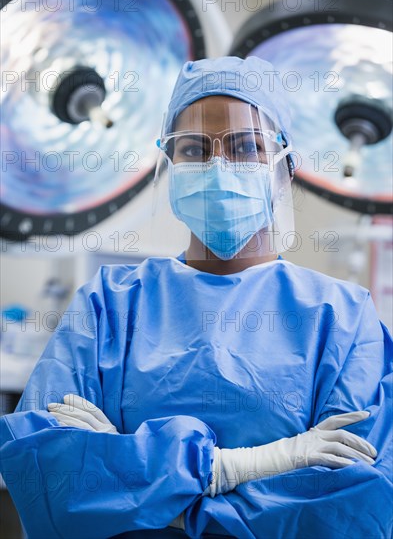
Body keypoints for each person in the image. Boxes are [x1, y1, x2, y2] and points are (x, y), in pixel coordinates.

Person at [1, 57, 392, 539]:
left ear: (285, 168)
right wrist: (236, 467)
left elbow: (355, 502)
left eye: (246, 146)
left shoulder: (344, 319)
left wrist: (134, 485)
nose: (217, 166)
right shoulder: (110, 305)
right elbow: (47, 470)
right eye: (193, 149)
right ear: (170, 167)